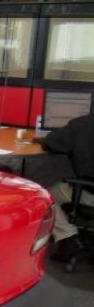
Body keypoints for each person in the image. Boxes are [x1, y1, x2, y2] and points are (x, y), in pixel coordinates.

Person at [42, 112, 94, 262]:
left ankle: (68, 236)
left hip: (90, 193)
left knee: (47, 196)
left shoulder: (82, 124)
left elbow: (51, 142)